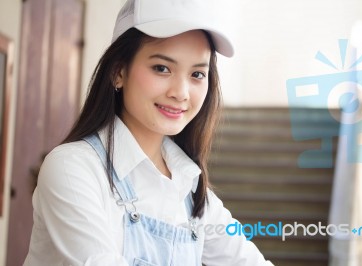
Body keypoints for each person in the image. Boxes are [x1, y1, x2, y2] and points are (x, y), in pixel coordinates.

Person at [24, 0, 274, 265]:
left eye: (198, 74)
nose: (181, 92)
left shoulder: (191, 190)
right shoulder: (72, 169)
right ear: (118, 71)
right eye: (162, 68)